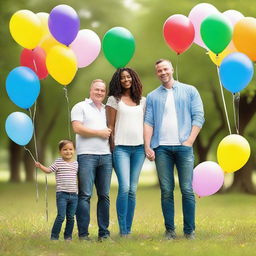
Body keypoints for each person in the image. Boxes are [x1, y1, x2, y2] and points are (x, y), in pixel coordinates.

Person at [144, 59, 204, 240]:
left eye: (165, 69)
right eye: (159, 70)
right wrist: (147, 145)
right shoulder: (153, 96)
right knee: (166, 190)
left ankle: (189, 231)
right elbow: (148, 122)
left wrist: (190, 141)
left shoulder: (190, 91)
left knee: (186, 189)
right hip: (162, 149)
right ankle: (170, 231)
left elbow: (199, 116)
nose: (163, 72)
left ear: (171, 69)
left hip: (184, 148)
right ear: (157, 74)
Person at [71, 79, 112, 242]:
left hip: (106, 157)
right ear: (90, 90)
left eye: (102, 90)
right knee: (85, 195)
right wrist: (99, 133)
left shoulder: (107, 110)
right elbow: (77, 128)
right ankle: (83, 235)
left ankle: (104, 234)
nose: (100, 92)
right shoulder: (80, 107)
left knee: (104, 196)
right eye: (97, 89)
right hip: (86, 156)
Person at [106, 68, 146, 237]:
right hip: (120, 148)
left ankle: (128, 230)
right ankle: (123, 230)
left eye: (128, 77)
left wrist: (148, 146)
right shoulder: (114, 100)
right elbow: (111, 126)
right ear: (118, 81)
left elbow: (146, 125)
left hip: (139, 149)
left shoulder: (142, 101)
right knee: (124, 187)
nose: (126, 80)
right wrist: (112, 147)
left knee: (133, 190)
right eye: (122, 78)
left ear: (133, 78)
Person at [35, 139, 78, 241]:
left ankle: (68, 237)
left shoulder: (76, 164)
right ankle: (54, 237)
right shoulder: (58, 162)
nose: (68, 151)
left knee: (71, 217)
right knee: (61, 216)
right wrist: (40, 166)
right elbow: (49, 170)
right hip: (62, 195)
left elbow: (78, 178)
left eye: (71, 149)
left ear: (74, 150)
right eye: (65, 149)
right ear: (60, 152)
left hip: (74, 195)